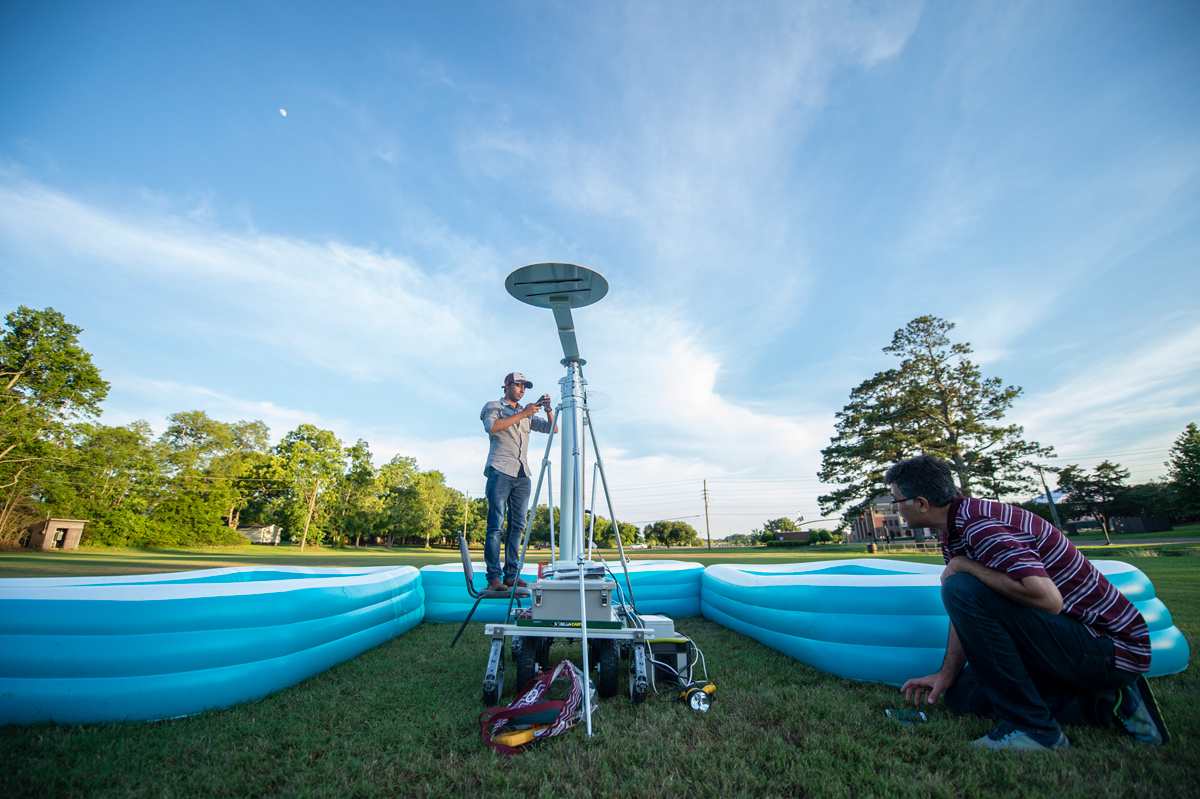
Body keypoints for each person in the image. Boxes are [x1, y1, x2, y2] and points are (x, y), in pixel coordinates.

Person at [889, 454, 1169, 751]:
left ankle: (1034, 730)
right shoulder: (956, 529)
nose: (896, 509)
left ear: (921, 503)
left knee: (959, 585)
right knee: (963, 697)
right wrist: (946, 673)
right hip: (1070, 644)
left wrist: (966, 567)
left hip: (1106, 648)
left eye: (897, 501)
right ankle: (1113, 700)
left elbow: (1048, 600)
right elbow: (969, 608)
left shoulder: (981, 524)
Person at [480, 372, 554, 592]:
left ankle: (512, 575)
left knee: (518, 526)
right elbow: (492, 427)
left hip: (522, 473)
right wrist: (523, 413)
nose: (522, 389)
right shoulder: (494, 406)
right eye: (518, 385)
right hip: (500, 469)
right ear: (506, 385)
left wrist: (548, 410)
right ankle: (494, 578)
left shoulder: (528, 414)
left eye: (525, 386)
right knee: (495, 526)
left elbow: (553, 429)